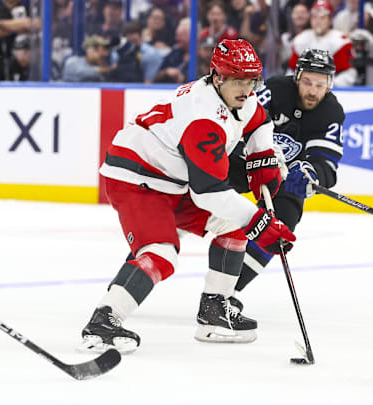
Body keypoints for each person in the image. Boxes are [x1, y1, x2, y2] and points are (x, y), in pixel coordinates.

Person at [79, 39, 296, 353]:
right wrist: (260, 223)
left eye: (251, 81)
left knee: (232, 224)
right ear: (218, 77)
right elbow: (208, 192)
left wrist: (262, 157)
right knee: (160, 254)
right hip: (138, 179)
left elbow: (259, 120)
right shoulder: (204, 121)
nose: (246, 89)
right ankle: (103, 321)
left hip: (172, 179)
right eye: (238, 80)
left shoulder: (238, 98)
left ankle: (214, 314)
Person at [221, 48, 344, 312]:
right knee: (199, 194)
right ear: (298, 77)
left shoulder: (331, 113)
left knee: (280, 231)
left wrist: (310, 173)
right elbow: (239, 114)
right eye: (308, 82)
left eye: (320, 85)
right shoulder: (276, 88)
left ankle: (224, 293)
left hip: (285, 178)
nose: (313, 90)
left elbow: (326, 163)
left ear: (329, 85)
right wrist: (250, 150)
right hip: (245, 162)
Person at [288, 0, 355, 86]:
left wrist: (331, 86)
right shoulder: (301, 39)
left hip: (331, 90)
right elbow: (292, 70)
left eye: (322, 17)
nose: (318, 21)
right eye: (314, 17)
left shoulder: (340, 41)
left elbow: (349, 73)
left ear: (330, 20)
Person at [0, 0, 33, 80]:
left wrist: (1, 24)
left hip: (20, 61)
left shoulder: (26, 9)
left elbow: (32, 24)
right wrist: (17, 27)